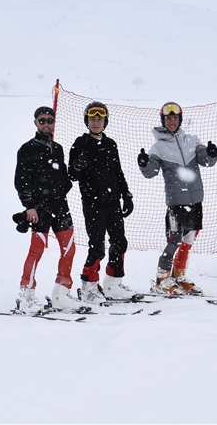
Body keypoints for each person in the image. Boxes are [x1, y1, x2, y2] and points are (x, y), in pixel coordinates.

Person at [138, 102, 217, 295]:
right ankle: (162, 277)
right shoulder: (158, 147)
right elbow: (151, 172)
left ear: (180, 119)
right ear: (163, 120)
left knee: (189, 238)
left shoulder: (192, 140)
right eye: (168, 118)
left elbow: (206, 161)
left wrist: (211, 154)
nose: (172, 121)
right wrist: (144, 164)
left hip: (195, 200)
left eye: (175, 118)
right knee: (174, 240)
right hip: (176, 202)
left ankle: (179, 275)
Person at [14, 106, 80, 311]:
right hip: (39, 209)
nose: (46, 124)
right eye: (42, 120)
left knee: (69, 249)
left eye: (49, 120)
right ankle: (26, 295)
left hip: (60, 207)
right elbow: (21, 181)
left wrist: (70, 178)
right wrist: (29, 207)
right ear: (35, 123)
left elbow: (64, 179)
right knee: (36, 251)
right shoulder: (27, 149)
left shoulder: (58, 148)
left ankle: (61, 293)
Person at [68, 102, 135, 303]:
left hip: (112, 201)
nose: (96, 122)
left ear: (105, 121)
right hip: (93, 202)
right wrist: (78, 165)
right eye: (92, 118)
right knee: (97, 245)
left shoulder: (110, 144)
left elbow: (118, 172)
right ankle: (88, 286)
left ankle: (113, 283)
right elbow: (71, 175)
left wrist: (126, 195)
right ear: (86, 121)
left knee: (119, 242)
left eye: (100, 118)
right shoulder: (80, 144)